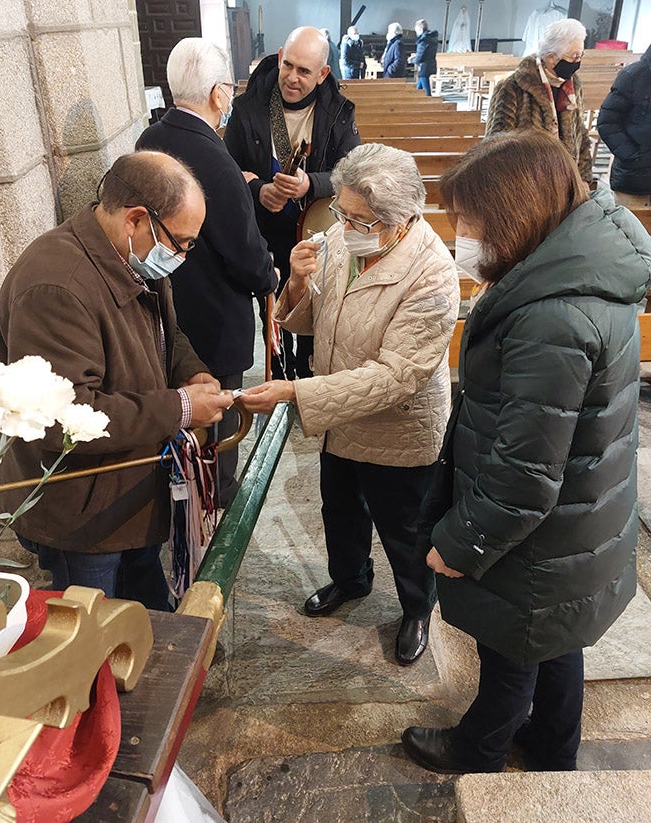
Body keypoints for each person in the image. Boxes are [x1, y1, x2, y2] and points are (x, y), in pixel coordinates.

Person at [401, 130, 651, 773]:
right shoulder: (584, 274)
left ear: (513, 217)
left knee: (511, 654)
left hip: (535, 542)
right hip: (575, 527)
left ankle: (477, 747)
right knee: (557, 642)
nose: (465, 234)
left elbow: (524, 476)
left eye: (472, 220)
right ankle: (551, 746)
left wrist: (457, 545)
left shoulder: (552, 318)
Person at [240, 143, 460, 665]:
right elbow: (315, 317)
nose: (343, 224)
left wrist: (297, 391)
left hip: (397, 428)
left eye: (358, 217)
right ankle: (350, 580)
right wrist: (294, 282)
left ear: (398, 218)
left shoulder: (431, 274)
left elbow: (395, 376)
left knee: (404, 526)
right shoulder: (344, 237)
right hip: (340, 416)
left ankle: (416, 608)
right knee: (340, 509)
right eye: (341, 210)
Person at [0, 151, 233, 609]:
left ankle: (160, 665)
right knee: (90, 627)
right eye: (180, 242)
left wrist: (191, 371)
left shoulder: (130, 256)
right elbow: (68, 418)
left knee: (144, 603)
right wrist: (181, 407)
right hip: (82, 512)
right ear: (136, 219)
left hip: (131, 491)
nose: (182, 256)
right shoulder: (56, 286)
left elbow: (165, 332)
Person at [135, 38, 277, 508]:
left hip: (161, 312)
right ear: (220, 93)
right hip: (214, 324)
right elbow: (245, 253)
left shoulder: (149, 141)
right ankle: (211, 509)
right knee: (215, 428)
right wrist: (270, 276)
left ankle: (181, 497)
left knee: (176, 420)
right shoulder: (214, 158)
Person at [224, 25, 361, 379]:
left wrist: (310, 185)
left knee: (317, 309)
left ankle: (310, 374)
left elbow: (351, 174)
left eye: (304, 71)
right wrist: (259, 191)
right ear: (281, 57)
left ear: (322, 74)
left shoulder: (339, 111)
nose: (293, 78)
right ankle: (283, 378)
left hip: (318, 231)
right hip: (264, 233)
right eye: (289, 65)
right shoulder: (247, 106)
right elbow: (227, 170)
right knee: (274, 311)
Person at [485, 17, 594, 186]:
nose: (577, 62)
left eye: (580, 56)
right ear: (551, 57)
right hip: (527, 183)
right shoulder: (514, 86)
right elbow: (496, 144)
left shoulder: (573, 86)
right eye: (573, 57)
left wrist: (583, 178)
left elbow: (580, 133)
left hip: (566, 182)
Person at [597, 42, 651, 207]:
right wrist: (633, 156)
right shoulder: (633, 75)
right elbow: (607, 122)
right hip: (635, 177)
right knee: (629, 231)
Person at [413, 19, 439, 96]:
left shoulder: (423, 40)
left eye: (416, 30)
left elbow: (420, 55)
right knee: (420, 85)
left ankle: (428, 100)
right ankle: (415, 97)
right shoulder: (431, 38)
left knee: (426, 89)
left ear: (420, 29)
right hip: (431, 63)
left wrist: (413, 60)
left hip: (424, 66)